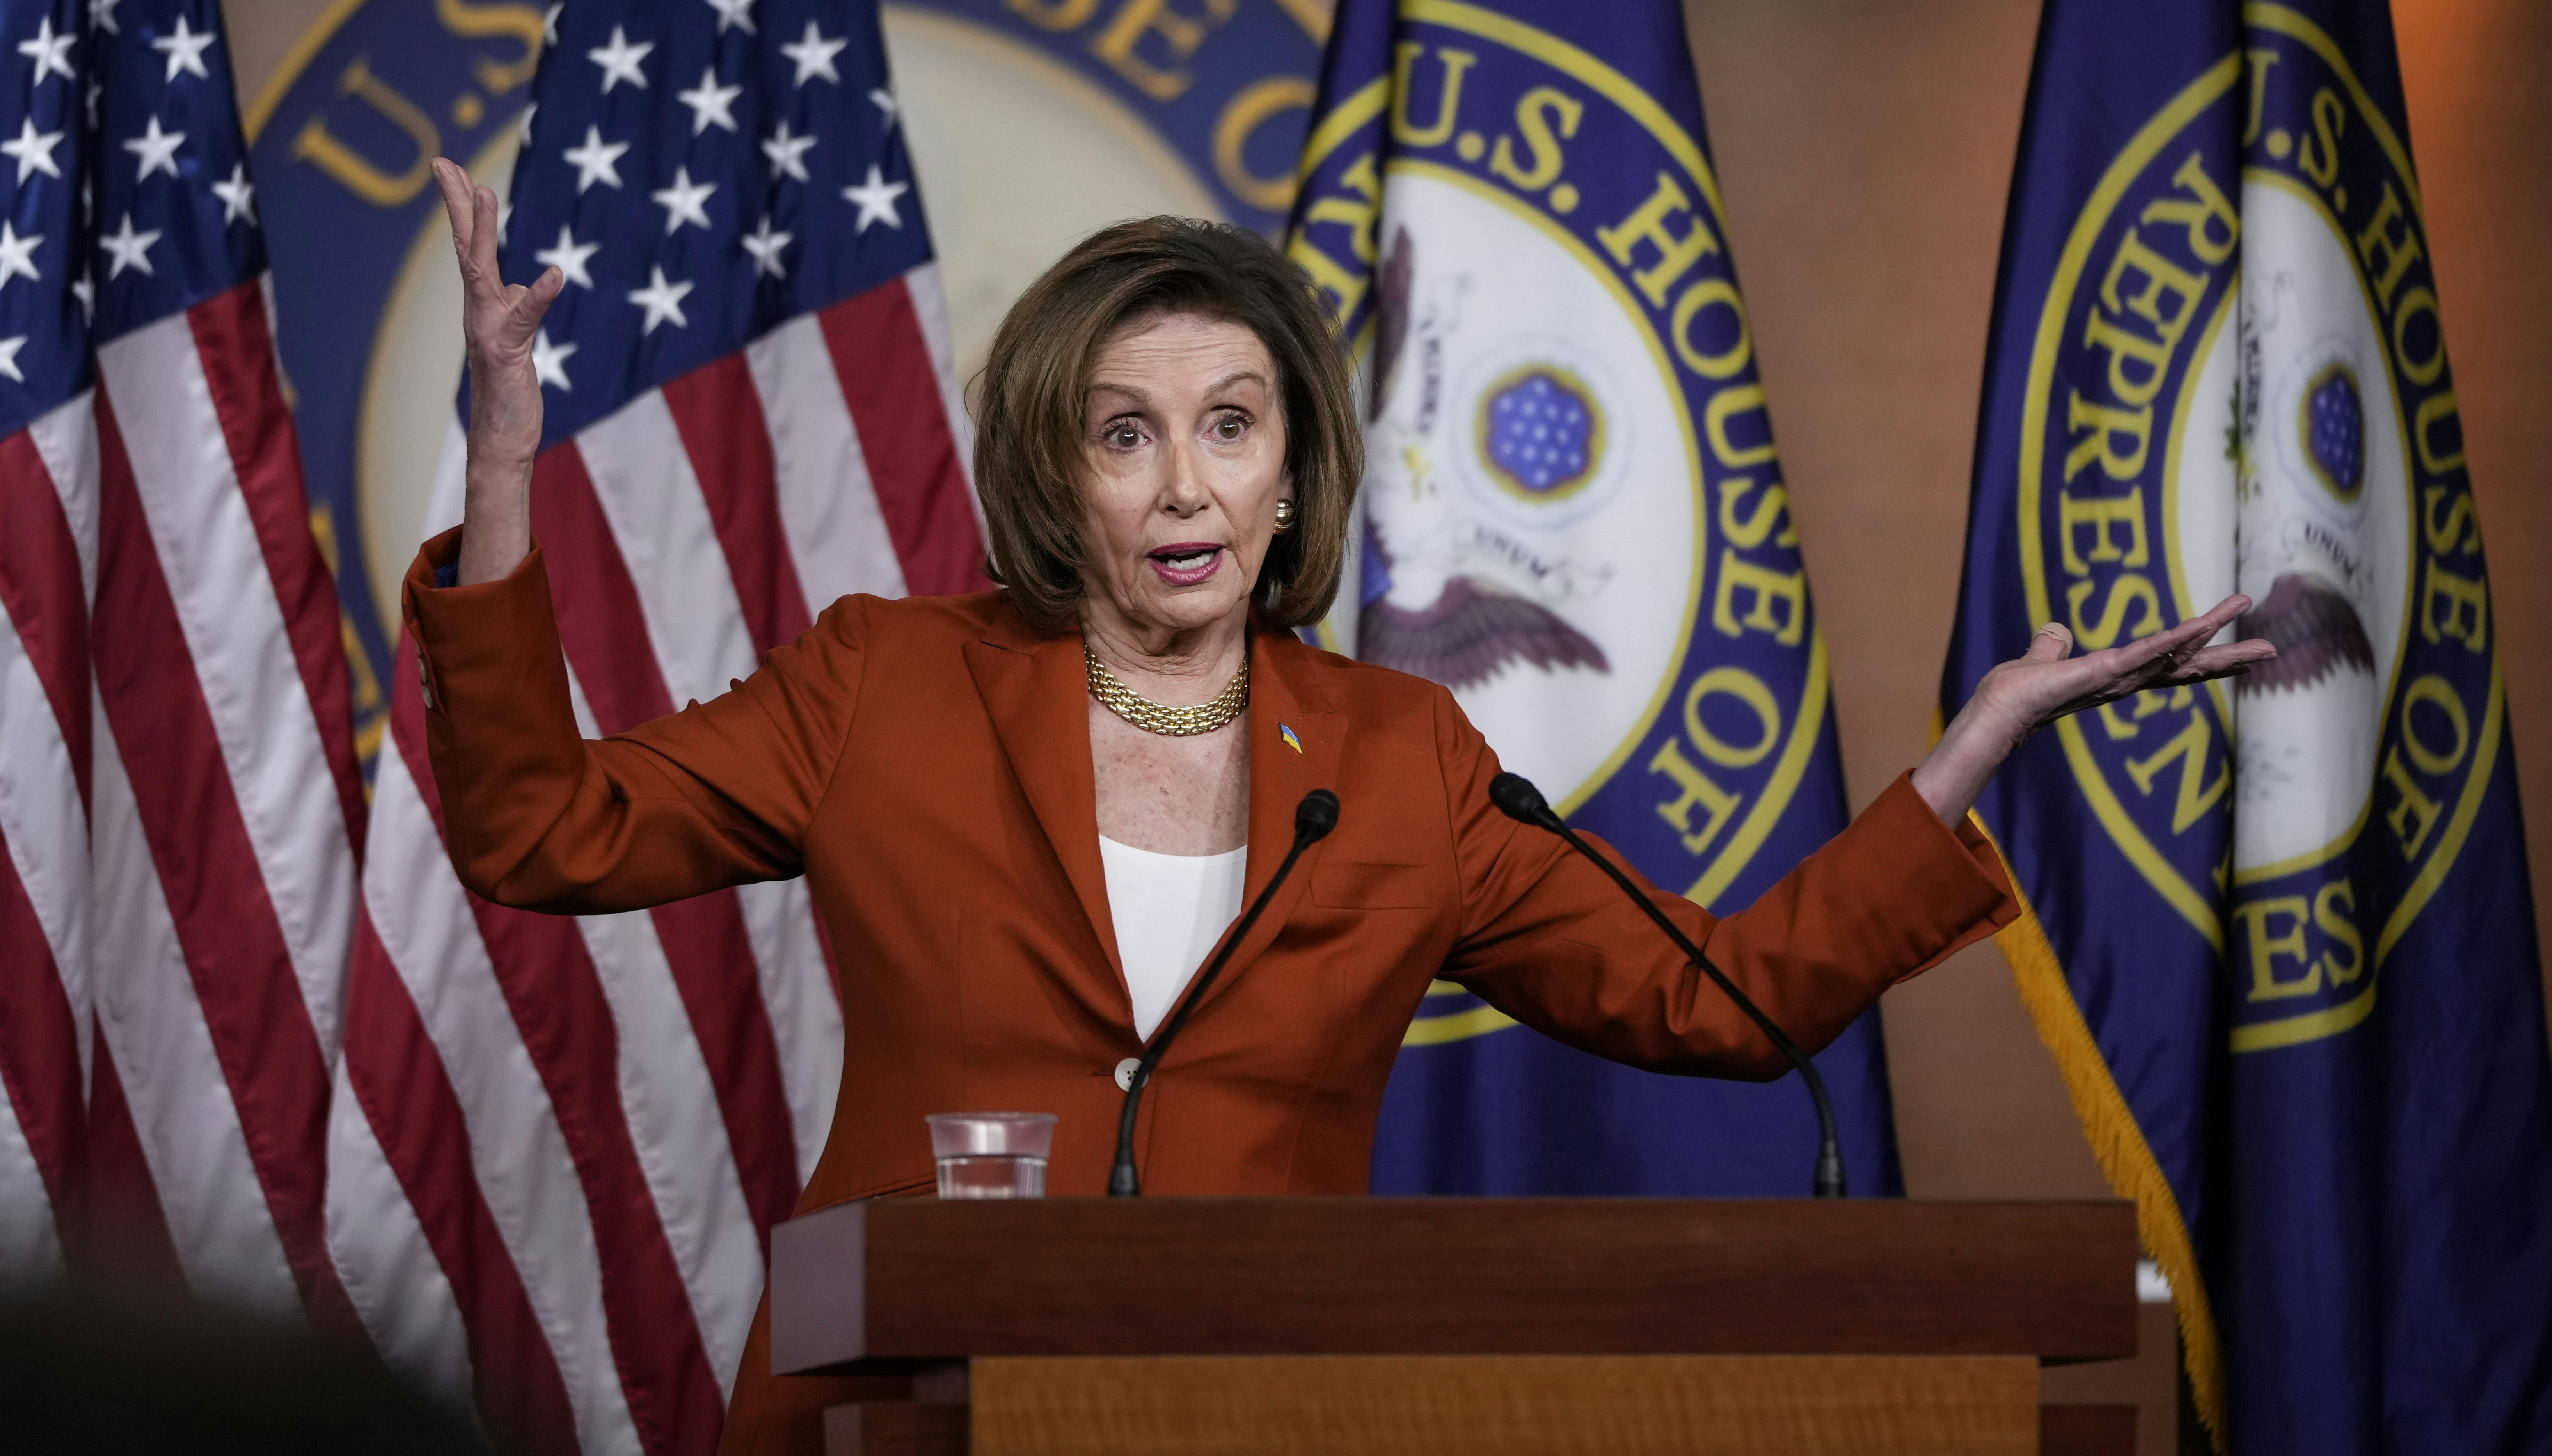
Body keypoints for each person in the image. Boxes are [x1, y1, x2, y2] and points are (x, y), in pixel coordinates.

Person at [408, 158, 2273, 1453]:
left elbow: (1729, 999)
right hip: (903, 1413)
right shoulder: (889, 681)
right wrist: (504, 469)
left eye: (1231, 422)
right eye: (1122, 431)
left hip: (1264, 1407)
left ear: (1293, 472)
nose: (1182, 480)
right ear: (1062, 478)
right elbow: (543, 830)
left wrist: (1975, 748)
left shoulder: (1398, 757)